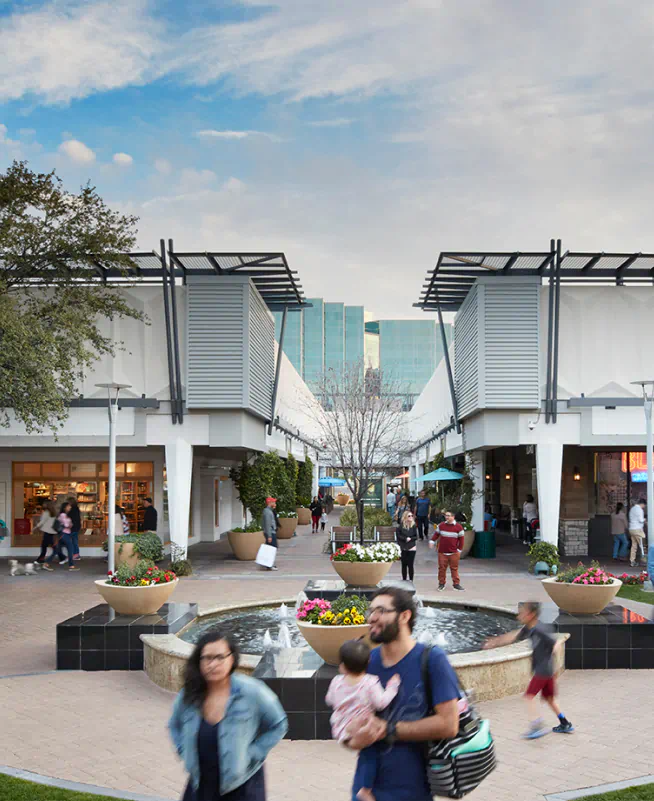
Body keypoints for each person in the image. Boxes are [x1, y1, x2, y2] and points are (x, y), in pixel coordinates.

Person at [346, 587, 461, 801]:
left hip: (413, 792)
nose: (372, 618)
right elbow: (348, 728)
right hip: (365, 792)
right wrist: (352, 739)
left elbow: (449, 724)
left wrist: (388, 729)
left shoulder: (433, 660)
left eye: (381, 611)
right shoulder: (366, 662)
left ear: (404, 616)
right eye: (371, 611)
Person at [169, 629, 288, 801]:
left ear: (232, 658)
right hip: (200, 786)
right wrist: (184, 750)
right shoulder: (189, 694)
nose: (213, 664)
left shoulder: (252, 691)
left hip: (242, 786)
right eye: (207, 658)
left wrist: (254, 752)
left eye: (220, 657)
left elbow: (278, 724)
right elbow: (174, 725)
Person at [483, 601, 574, 739]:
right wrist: (495, 642)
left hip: (543, 671)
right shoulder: (529, 628)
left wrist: (556, 655)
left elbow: (555, 643)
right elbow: (514, 636)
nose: (519, 616)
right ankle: (565, 723)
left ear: (531, 615)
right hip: (547, 671)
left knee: (529, 696)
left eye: (522, 613)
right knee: (550, 699)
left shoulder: (540, 630)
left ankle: (537, 726)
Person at [325, 640, 401, 801]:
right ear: (368, 662)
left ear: (343, 666)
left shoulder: (336, 681)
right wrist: (392, 687)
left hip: (340, 728)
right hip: (362, 729)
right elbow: (381, 703)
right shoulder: (369, 682)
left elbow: (330, 700)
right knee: (371, 755)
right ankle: (365, 789)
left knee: (366, 755)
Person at [429, 510, 464, 591]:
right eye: (446, 515)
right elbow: (436, 535)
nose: (446, 517)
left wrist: (459, 550)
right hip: (442, 552)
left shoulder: (459, 527)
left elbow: (461, 540)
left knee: (454, 568)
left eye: (448, 515)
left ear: (453, 517)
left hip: (454, 552)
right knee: (441, 569)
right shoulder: (441, 525)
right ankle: (441, 584)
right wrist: (432, 541)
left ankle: (456, 584)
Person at [36, 501, 59, 570]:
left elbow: (42, 522)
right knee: (49, 545)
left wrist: (35, 527)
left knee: (44, 545)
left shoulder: (46, 512)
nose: (43, 505)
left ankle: (41, 559)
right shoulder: (54, 512)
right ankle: (62, 556)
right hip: (52, 531)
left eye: (44, 504)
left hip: (47, 531)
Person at [396, 510, 418, 582]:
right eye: (409, 516)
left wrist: (410, 538)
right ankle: (404, 580)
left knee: (410, 564)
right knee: (404, 564)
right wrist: (405, 539)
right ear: (405, 517)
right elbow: (398, 536)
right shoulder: (400, 526)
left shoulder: (413, 526)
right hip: (403, 546)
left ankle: (411, 580)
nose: (411, 517)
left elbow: (416, 536)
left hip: (412, 546)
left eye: (412, 516)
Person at [57, 502, 79, 571]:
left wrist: (69, 524)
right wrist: (69, 524)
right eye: (68, 506)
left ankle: (47, 562)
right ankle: (71, 565)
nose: (70, 507)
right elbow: (67, 525)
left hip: (65, 534)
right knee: (70, 549)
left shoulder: (65, 515)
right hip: (64, 534)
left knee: (57, 549)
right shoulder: (63, 515)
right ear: (65, 507)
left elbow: (69, 524)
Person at [262, 497, 279, 571]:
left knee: (270, 548)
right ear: (269, 503)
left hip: (271, 532)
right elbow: (268, 524)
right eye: (273, 502)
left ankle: (268, 564)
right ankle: (269, 564)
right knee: (271, 549)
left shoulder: (269, 511)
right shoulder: (267, 512)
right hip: (271, 532)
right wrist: (269, 536)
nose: (275, 504)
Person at [628, 499, 647, 567]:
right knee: (643, 545)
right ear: (642, 504)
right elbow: (641, 520)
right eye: (644, 506)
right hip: (638, 529)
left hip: (631, 529)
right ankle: (645, 561)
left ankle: (632, 561)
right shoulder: (639, 510)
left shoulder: (632, 509)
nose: (644, 507)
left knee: (634, 546)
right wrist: (645, 520)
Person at [67, 496, 82, 561]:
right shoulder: (76, 509)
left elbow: (71, 519)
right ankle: (76, 554)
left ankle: (75, 554)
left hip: (73, 527)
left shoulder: (72, 510)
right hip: (76, 527)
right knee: (74, 541)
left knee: (73, 541)